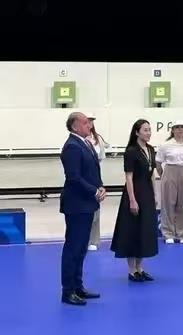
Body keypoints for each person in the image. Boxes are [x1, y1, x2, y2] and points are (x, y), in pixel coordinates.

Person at [59, 112, 106, 306]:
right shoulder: (72, 146)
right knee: (73, 248)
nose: (90, 125)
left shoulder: (85, 143)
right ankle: (68, 291)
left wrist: (100, 187)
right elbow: (74, 177)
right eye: (86, 123)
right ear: (75, 126)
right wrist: (94, 191)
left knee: (81, 249)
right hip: (77, 205)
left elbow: (93, 171)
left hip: (86, 204)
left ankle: (78, 286)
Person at [110, 119, 159, 281]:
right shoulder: (131, 151)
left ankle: (140, 267)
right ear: (137, 132)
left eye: (149, 130)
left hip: (147, 193)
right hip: (135, 192)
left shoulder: (151, 150)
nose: (148, 133)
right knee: (132, 230)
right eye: (145, 130)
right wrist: (132, 200)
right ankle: (132, 270)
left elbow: (152, 174)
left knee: (144, 230)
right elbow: (129, 177)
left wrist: (154, 195)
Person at [155, 120, 183, 244]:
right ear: (173, 130)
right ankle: (168, 233)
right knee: (168, 203)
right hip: (170, 171)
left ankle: (182, 233)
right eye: (177, 127)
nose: (180, 129)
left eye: (182, 127)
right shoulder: (166, 145)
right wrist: (164, 175)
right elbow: (158, 162)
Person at [86, 114, 108, 251]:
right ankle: (83, 239)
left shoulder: (97, 139)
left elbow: (100, 158)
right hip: (83, 176)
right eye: (87, 121)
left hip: (95, 175)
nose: (90, 124)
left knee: (95, 209)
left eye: (91, 121)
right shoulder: (79, 140)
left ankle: (94, 240)